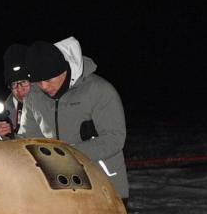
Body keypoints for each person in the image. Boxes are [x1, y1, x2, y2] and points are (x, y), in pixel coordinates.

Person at [24, 37, 129, 201]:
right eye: (38, 81)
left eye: (49, 80)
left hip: (103, 187)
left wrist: (67, 154)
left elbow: (114, 138)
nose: (43, 86)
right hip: (56, 190)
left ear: (64, 70)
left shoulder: (99, 91)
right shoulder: (33, 97)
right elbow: (28, 140)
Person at [0, 43, 32, 139]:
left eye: (24, 82)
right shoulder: (5, 112)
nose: (19, 89)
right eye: (13, 84)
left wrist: (14, 135)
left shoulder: (50, 103)